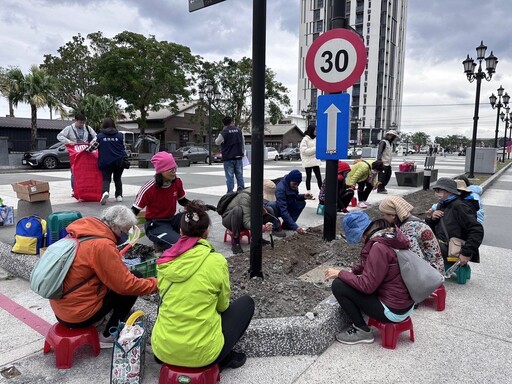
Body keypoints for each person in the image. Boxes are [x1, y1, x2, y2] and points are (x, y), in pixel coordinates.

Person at [151, 200, 254, 370]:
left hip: (163, 350)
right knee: (247, 303)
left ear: (180, 231)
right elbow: (222, 306)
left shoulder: (164, 261)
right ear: (207, 232)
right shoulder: (216, 261)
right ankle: (224, 358)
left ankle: (170, 349)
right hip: (203, 355)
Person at [49, 205, 157, 347]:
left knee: (119, 279)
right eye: (125, 230)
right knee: (133, 280)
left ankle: (100, 319)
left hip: (61, 309)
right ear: (114, 226)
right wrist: (156, 283)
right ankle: (108, 335)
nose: (126, 233)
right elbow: (127, 285)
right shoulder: (103, 245)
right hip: (77, 315)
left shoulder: (83, 231)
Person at [324, 212, 414, 345]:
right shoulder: (388, 236)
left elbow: (367, 286)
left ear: (361, 234)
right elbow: (375, 264)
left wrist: (340, 273)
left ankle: (362, 330)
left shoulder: (378, 248)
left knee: (339, 285)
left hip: (392, 310)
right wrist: (353, 271)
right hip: (404, 305)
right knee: (348, 279)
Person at [131, 151, 214, 252]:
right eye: (170, 169)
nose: (174, 171)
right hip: (155, 224)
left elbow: (182, 201)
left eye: (175, 167)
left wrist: (202, 207)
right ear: (160, 171)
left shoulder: (177, 182)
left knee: (196, 218)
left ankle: (198, 245)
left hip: (172, 220)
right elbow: (133, 211)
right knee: (179, 245)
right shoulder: (149, 188)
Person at [425, 178, 484, 266]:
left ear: (450, 191)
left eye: (440, 190)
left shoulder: (459, 206)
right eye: (436, 190)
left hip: (453, 248)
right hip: (441, 243)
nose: (437, 193)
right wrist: (432, 218)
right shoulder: (442, 204)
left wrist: (466, 253)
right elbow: (433, 227)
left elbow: (477, 229)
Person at [379, 196, 444, 274]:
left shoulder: (408, 228)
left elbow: (416, 259)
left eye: (383, 215)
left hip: (431, 273)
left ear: (393, 215)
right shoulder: (411, 220)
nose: (382, 217)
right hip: (435, 268)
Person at [222, 188, 277, 254]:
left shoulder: (256, 194)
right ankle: (235, 242)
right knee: (237, 210)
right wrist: (263, 227)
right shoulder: (245, 198)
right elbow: (246, 222)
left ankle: (257, 238)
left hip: (244, 216)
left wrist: (262, 210)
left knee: (269, 211)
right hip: (230, 220)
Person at [57, 113, 97, 196]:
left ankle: (84, 188)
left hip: (85, 152)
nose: (82, 124)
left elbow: (96, 136)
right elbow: (59, 136)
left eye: (83, 122)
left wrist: (93, 141)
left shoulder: (87, 128)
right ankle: (74, 189)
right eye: (80, 122)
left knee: (85, 171)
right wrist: (69, 142)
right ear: (75, 120)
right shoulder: (69, 128)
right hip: (74, 152)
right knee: (74, 171)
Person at [265, 169, 314, 234]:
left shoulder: (293, 184)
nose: (296, 186)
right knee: (272, 205)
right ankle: (275, 228)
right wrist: (296, 227)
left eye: (298, 184)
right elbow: (283, 209)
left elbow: (294, 197)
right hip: (278, 208)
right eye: (294, 184)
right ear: (289, 180)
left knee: (301, 203)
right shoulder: (280, 189)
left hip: (287, 204)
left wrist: (303, 196)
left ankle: (287, 225)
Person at [95, 117, 128, 205]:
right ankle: (119, 196)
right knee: (117, 178)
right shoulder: (120, 135)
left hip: (106, 161)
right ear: (113, 125)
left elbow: (92, 148)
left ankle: (105, 192)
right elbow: (123, 147)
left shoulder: (100, 136)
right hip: (119, 161)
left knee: (106, 179)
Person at [215, 116, 245, 193]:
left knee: (229, 176)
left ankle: (230, 192)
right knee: (240, 175)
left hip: (228, 158)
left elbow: (217, 142)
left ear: (224, 124)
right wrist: (243, 152)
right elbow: (243, 142)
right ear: (232, 122)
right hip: (238, 157)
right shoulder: (239, 131)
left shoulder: (224, 132)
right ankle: (241, 190)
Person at [299, 124, 323, 193]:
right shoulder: (305, 139)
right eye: (315, 130)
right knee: (308, 177)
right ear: (311, 130)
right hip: (308, 161)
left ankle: (322, 192)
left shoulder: (316, 138)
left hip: (315, 160)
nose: (316, 131)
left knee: (319, 177)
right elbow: (304, 151)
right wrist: (316, 149)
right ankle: (309, 192)